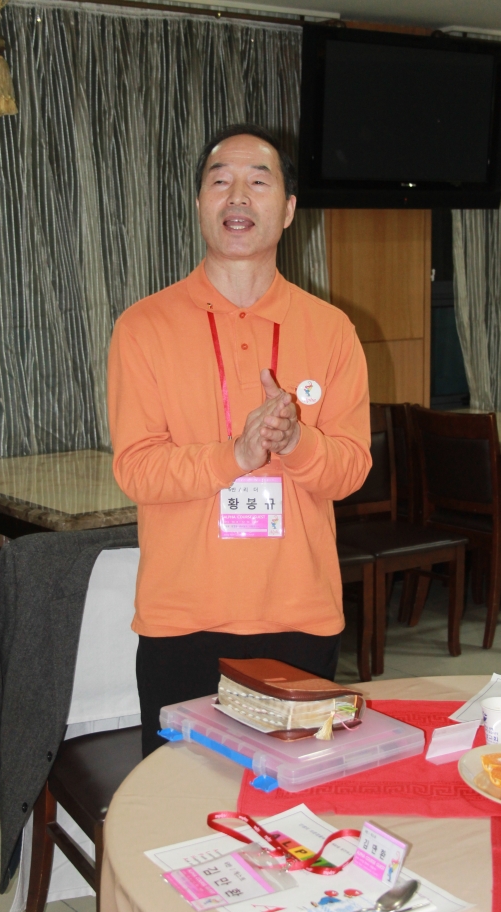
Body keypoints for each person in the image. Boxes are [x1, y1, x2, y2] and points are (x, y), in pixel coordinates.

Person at [107, 124, 371, 755]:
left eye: (259, 181)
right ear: (200, 204)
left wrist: (296, 444)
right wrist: (238, 455)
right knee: (180, 798)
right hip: (182, 620)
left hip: (301, 615)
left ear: (288, 209)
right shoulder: (143, 327)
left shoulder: (331, 330)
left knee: (290, 796)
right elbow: (137, 469)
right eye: (220, 180)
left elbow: (352, 469)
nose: (238, 196)